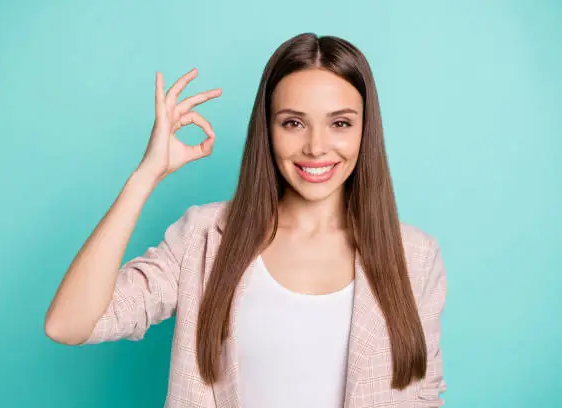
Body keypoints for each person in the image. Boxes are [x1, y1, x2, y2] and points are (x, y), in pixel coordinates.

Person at [44, 32, 447, 408]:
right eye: (293, 122)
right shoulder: (203, 238)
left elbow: (424, 395)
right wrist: (145, 176)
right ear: (267, 131)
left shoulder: (416, 257)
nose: (316, 146)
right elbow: (69, 324)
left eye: (340, 123)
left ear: (365, 130)